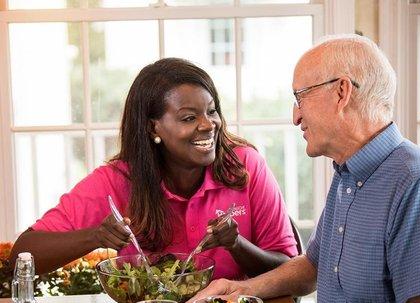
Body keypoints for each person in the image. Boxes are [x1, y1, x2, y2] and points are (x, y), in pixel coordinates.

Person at [181, 35, 420, 303]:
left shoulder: (416, 180)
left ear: (341, 92)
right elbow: (313, 267)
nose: (295, 115)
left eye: (300, 97)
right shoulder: (349, 172)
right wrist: (240, 290)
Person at [10, 58, 297, 279]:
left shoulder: (244, 166)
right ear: (152, 127)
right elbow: (22, 254)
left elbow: (291, 270)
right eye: (188, 118)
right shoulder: (118, 179)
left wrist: (236, 244)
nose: (209, 124)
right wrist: (96, 236)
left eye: (211, 111)